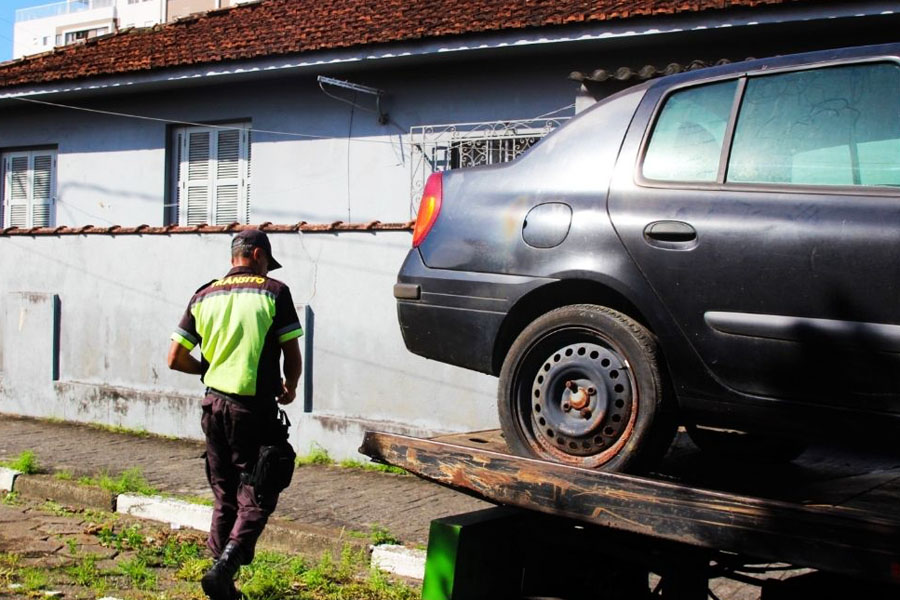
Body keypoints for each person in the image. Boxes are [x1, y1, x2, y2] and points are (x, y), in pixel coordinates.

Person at [167, 229, 303, 600]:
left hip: (212, 407)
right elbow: (292, 353)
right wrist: (290, 385)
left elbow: (175, 359)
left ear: (233, 258)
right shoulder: (274, 291)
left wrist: (209, 369)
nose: (265, 268)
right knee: (260, 489)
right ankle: (225, 568)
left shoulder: (203, 295)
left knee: (224, 493)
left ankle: (219, 579)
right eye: (265, 261)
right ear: (257, 254)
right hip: (252, 410)